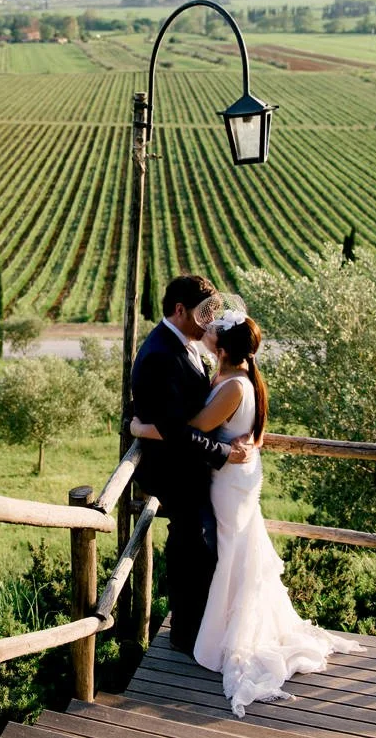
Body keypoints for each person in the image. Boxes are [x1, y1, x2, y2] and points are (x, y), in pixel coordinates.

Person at [132, 310, 362, 717]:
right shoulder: (232, 376)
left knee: (231, 552)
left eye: (215, 330)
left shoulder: (233, 386)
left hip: (229, 482)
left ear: (223, 346)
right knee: (233, 551)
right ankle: (218, 626)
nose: (208, 330)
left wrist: (140, 428)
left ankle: (225, 636)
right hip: (233, 475)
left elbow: (192, 429)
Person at [128, 275, 251, 657]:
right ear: (179, 310)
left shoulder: (185, 345)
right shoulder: (160, 354)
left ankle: (196, 628)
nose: (210, 320)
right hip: (176, 472)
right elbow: (176, 431)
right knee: (191, 548)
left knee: (199, 548)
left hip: (193, 468)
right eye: (204, 312)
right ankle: (187, 635)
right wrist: (224, 453)